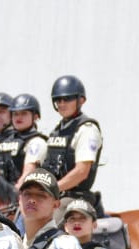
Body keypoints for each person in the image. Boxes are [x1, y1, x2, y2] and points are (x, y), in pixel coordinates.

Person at [35, 75, 103, 212]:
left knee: (47, 222)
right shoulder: (58, 130)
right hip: (55, 195)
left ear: (81, 100)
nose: (61, 103)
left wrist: (51, 189)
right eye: (58, 100)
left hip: (74, 198)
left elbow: (81, 172)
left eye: (67, 99)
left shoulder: (87, 129)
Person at [6, 93, 48, 187]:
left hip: (25, 194)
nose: (18, 117)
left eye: (24, 113)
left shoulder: (37, 142)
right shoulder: (7, 141)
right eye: (15, 114)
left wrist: (10, 194)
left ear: (36, 116)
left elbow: (28, 174)